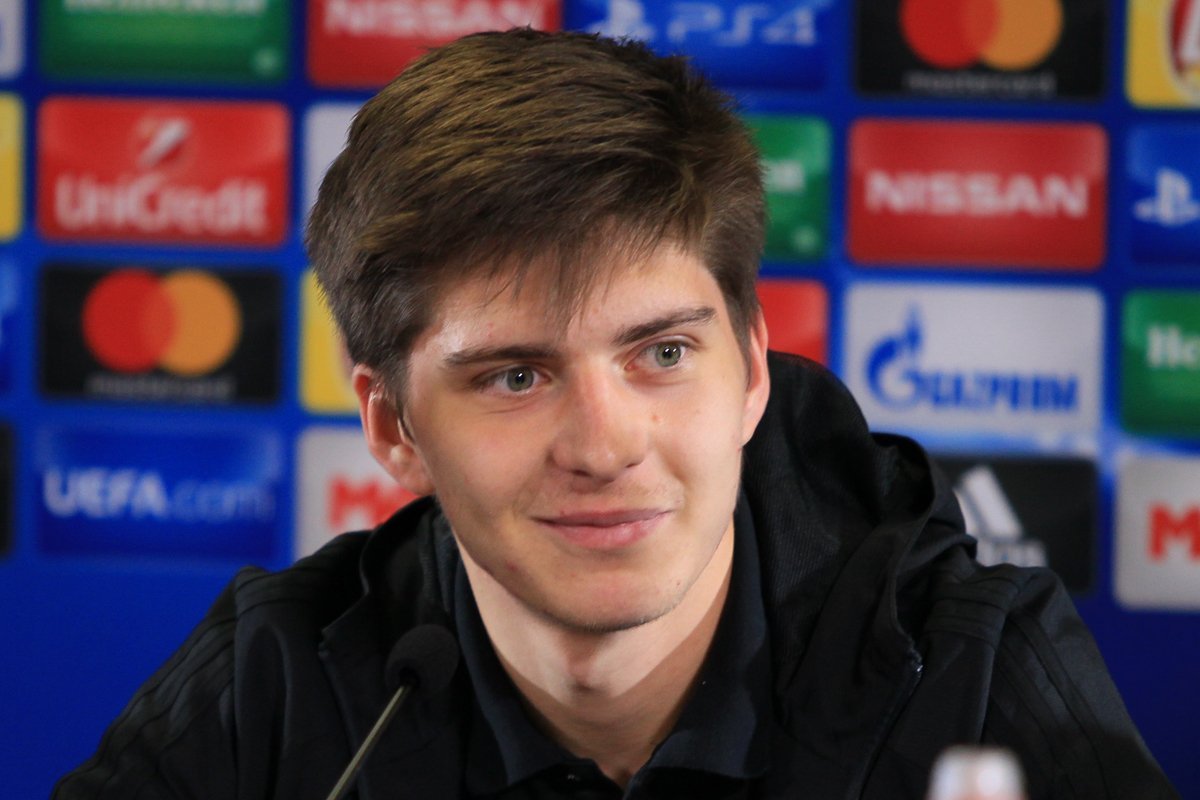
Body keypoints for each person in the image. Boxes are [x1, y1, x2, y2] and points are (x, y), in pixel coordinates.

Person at [54, 29, 1177, 800]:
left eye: (663, 354)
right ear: (393, 426)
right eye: (515, 377)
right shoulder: (278, 686)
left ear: (752, 372)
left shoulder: (973, 672)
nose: (604, 446)